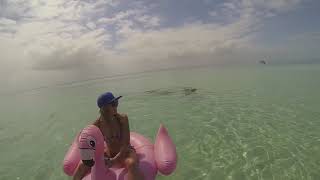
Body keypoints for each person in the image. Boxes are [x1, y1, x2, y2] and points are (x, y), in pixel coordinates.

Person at [73, 92, 144, 180]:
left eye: (116, 103)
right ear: (104, 108)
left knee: (132, 164)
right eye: (113, 104)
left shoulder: (122, 119)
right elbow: (87, 141)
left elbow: (125, 144)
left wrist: (114, 161)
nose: (116, 107)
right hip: (109, 154)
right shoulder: (97, 125)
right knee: (81, 166)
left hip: (126, 152)